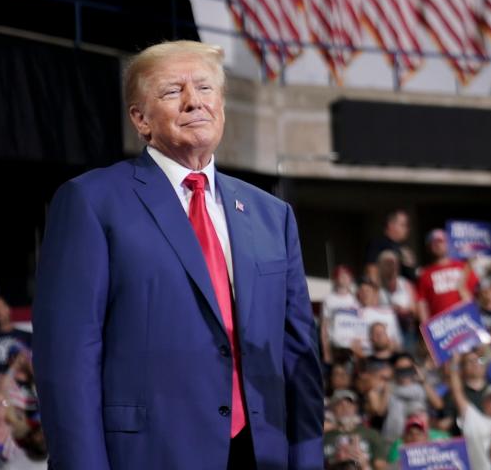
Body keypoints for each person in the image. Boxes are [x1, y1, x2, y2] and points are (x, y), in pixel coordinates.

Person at [32, 41, 324, 469]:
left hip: (261, 455)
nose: (194, 102)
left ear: (221, 105)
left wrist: (307, 460)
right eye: (173, 92)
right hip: (148, 456)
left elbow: (299, 358)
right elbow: (68, 362)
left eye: (205, 88)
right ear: (141, 119)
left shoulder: (271, 215)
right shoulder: (91, 202)